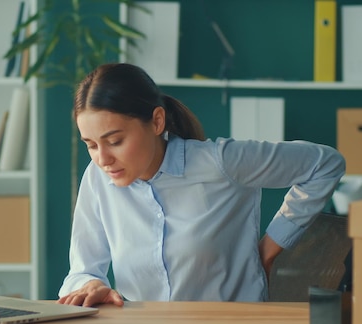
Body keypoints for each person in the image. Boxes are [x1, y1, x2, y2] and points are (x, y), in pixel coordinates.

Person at [57, 63, 345, 307]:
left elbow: (325, 163)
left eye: (115, 141)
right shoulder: (97, 178)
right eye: (91, 145)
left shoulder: (220, 163)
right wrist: (91, 285)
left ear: (157, 121)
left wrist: (269, 251)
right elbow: (81, 270)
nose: (103, 158)